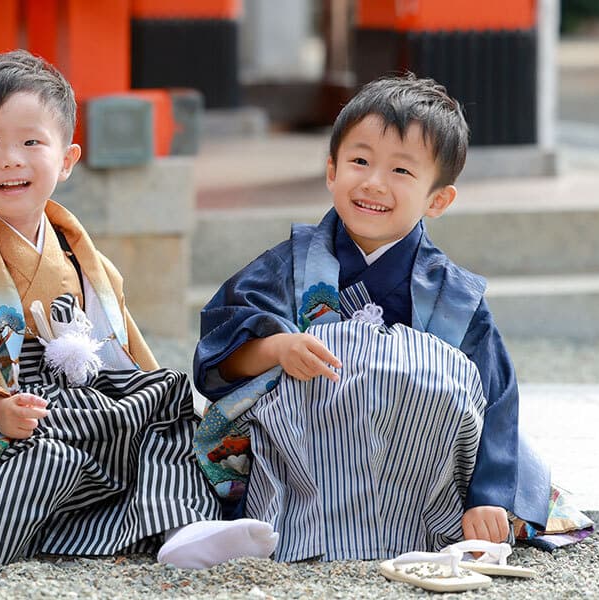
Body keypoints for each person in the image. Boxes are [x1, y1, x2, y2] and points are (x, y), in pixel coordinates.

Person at [0, 50, 276, 568]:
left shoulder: (92, 267)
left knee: (171, 407)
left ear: (66, 160)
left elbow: (130, 363)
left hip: (91, 411)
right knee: (47, 457)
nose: (10, 159)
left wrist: (156, 405)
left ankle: (182, 532)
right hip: (7, 424)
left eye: (30, 142)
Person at [192, 73, 565, 562]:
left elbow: (495, 399)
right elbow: (217, 360)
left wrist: (489, 499)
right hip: (307, 467)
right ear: (332, 170)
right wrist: (277, 349)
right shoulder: (287, 268)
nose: (373, 182)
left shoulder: (454, 297)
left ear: (438, 199)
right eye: (360, 161)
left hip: (414, 481)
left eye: (401, 172)